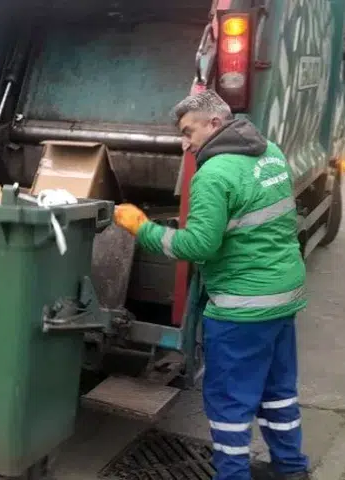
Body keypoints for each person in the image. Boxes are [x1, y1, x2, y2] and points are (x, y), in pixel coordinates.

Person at [113, 90, 310, 480]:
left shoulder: (214, 173)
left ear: (215, 123)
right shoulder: (270, 152)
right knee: (278, 391)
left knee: (229, 404)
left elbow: (199, 246)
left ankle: (232, 475)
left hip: (242, 306)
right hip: (282, 296)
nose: (185, 144)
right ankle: (291, 468)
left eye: (189, 132)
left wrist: (142, 228)